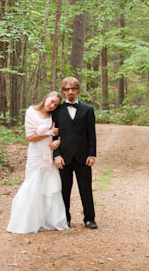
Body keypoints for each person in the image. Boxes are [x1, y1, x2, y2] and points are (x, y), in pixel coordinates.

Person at [6, 91, 69, 234]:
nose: (52, 105)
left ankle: (50, 220)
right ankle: (27, 221)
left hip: (50, 153)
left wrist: (58, 140)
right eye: (51, 101)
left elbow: (62, 132)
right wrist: (50, 133)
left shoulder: (54, 115)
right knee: (33, 182)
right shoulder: (31, 112)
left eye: (56, 104)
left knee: (50, 184)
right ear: (46, 97)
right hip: (36, 153)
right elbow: (30, 137)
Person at [52, 76, 97, 229]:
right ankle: (65, 219)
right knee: (64, 190)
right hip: (64, 157)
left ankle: (89, 219)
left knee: (86, 188)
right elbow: (53, 135)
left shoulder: (88, 110)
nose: (70, 92)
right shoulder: (57, 111)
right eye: (67, 89)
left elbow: (91, 133)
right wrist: (56, 155)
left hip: (83, 156)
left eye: (73, 89)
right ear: (63, 91)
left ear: (78, 90)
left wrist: (92, 154)